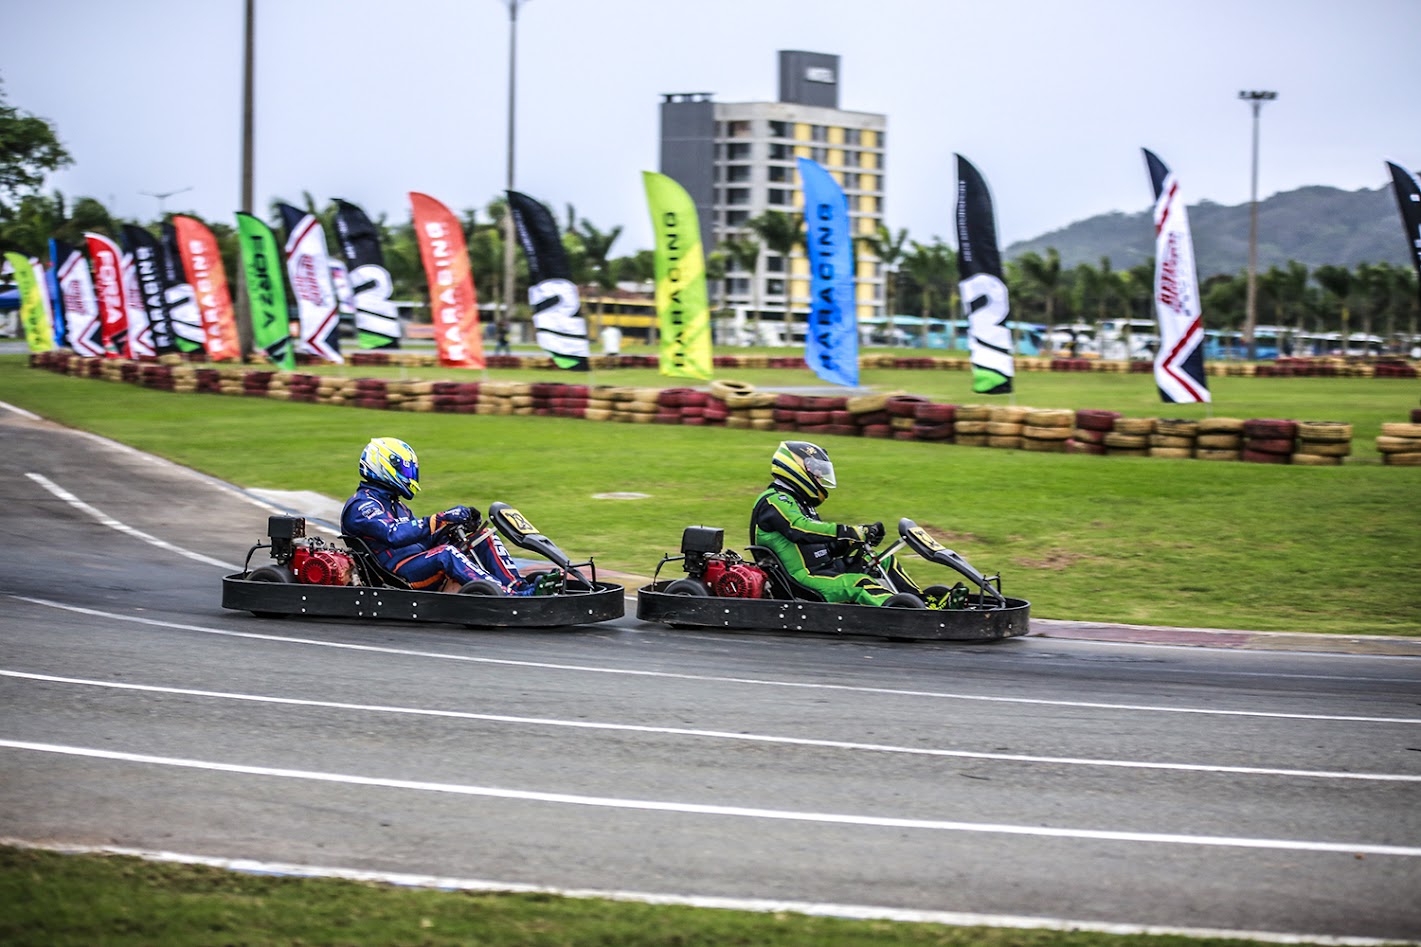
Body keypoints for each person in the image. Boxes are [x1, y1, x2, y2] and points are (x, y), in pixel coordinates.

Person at [341, 437, 535, 594]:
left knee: (483, 537)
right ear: (383, 466)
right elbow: (394, 534)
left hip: (418, 563)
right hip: (398, 575)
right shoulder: (362, 505)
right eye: (405, 469)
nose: (409, 475)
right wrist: (441, 518)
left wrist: (451, 528)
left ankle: (518, 587)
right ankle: (507, 596)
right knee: (446, 554)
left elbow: (422, 540)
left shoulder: (397, 505)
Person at [749, 441, 925, 606]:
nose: (819, 477)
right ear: (797, 468)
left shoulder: (801, 504)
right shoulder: (774, 501)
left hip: (825, 568)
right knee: (861, 584)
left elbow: (820, 548)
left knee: (884, 559)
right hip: (804, 579)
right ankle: (909, 614)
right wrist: (851, 532)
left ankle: (925, 601)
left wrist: (850, 541)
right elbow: (800, 530)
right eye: (816, 472)